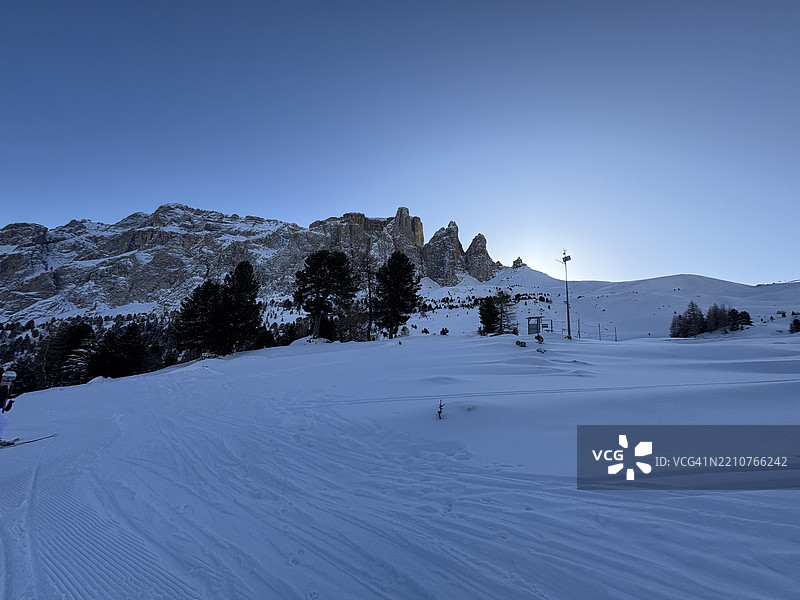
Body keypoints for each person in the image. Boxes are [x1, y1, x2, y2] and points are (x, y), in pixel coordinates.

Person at [0, 371, 17, 446]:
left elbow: (5, 406)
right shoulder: (2, 387)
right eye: (5, 380)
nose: (7, 382)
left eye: (9, 380)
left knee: (2, 423)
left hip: (0, 409)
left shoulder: (5, 388)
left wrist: (10, 402)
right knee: (4, 422)